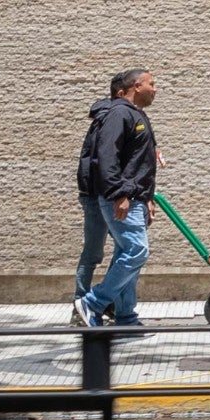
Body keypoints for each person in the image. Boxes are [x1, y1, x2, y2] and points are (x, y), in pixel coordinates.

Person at [72, 69, 158, 330]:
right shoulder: (119, 113)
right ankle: (92, 303)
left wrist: (147, 198)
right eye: (151, 84)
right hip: (122, 197)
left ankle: (125, 317)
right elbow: (106, 156)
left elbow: (138, 162)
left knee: (126, 252)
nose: (155, 89)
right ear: (134, 87)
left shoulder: (134, 115)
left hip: (135, 197)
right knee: (136, 251)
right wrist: (119, 194)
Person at [71, 74, 128, 324]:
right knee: (97, 251)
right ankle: (82, 303)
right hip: (99, 195)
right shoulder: (110, 118)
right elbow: (104, 160)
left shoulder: (110, 117)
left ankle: (105, 301)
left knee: (121, 249)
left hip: (101, 193)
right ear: (120, 93)